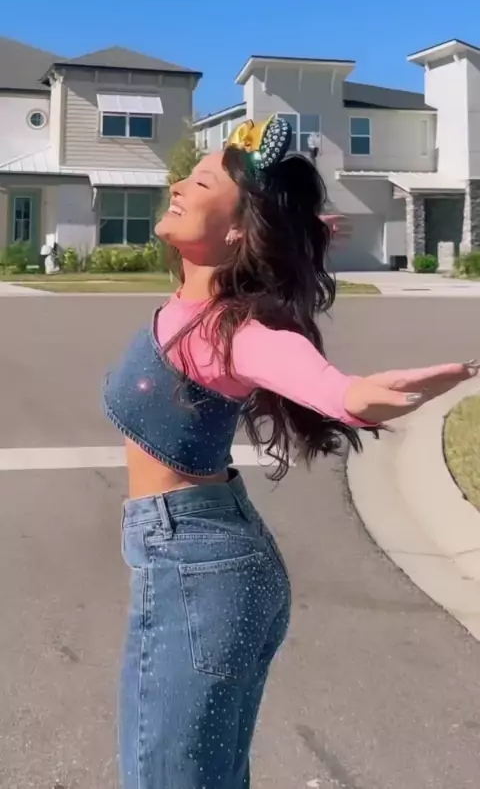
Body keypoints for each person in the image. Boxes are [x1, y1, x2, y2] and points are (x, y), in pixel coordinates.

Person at [103, 115, 478, 789]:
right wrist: (302, 230)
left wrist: (359, 395)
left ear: (237, 229)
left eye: (201, 183)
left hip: (198, 566)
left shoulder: (233, 331)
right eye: (188, 176)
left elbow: (315, 379)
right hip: (194, 557)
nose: (178, 186)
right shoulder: (191, 306)